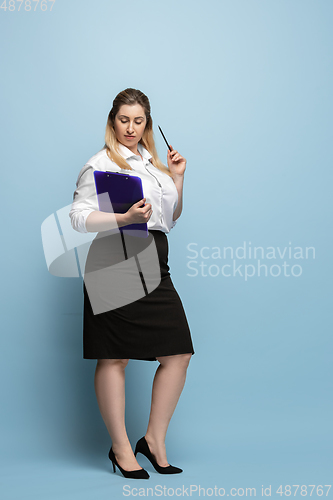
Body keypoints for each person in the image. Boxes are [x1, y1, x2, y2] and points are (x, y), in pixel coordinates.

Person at [69, 88, 194, 480]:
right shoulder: (100, 163)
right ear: (113, 121)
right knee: (115, 356)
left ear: (147, 124)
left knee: (177, 352)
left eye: (138, 120)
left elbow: (169, 220)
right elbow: (77, 217)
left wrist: (177, 178)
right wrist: (122, 219)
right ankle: (122, 449)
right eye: (124, 119)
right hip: (113, 259)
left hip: (154, 257)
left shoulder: (155, 165)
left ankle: (153, 440)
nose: (131, 127)